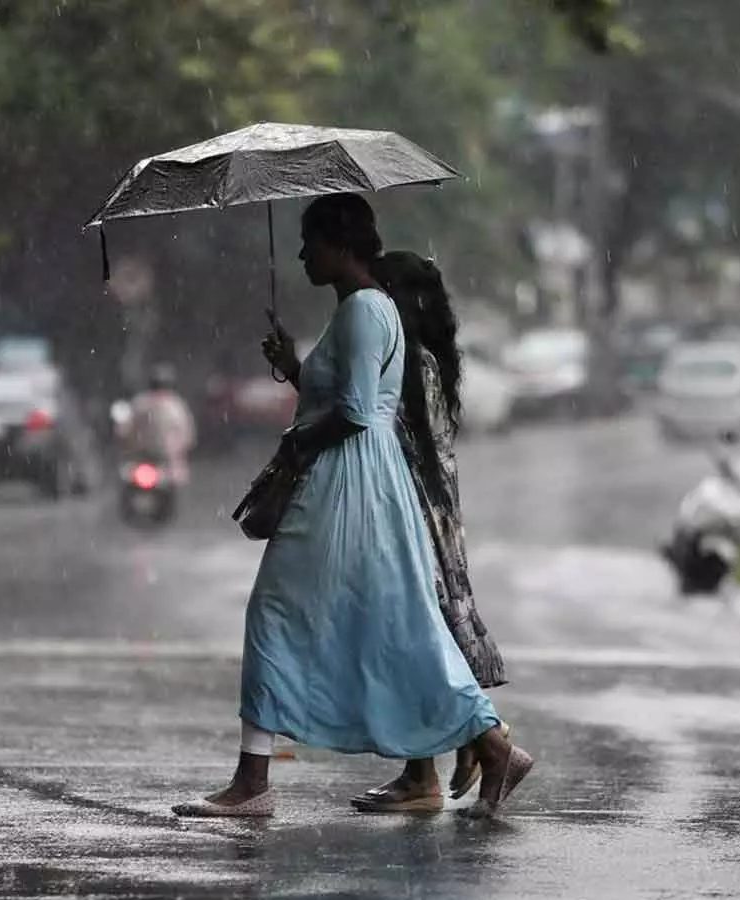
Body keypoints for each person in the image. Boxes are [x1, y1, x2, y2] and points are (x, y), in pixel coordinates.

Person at [171, 194, 528, 819]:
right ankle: (490, 743)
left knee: (277, 614)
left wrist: (298, 440)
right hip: (366, 480)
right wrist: (296, 368)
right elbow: (348, 394)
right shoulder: (368, 308)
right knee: (395, 623)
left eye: (312, 243)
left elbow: (360, 411)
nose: (305, 255)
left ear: (341, 244)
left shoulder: (363, 309)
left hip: (346, 483)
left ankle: (252, 783)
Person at [346, 250, 526, 813]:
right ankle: (435, 761)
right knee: (421, 636)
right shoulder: (431, 358)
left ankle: (479, 743)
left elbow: (376, 428)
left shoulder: (408, 363)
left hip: (415, 514)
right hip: (431, 511)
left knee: (417, 637)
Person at [125, 363, 196, 485]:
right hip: (146, 460)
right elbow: (188, 435)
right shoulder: (175, 406)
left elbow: (126, 430)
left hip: (162, 462)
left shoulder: (141, 403)